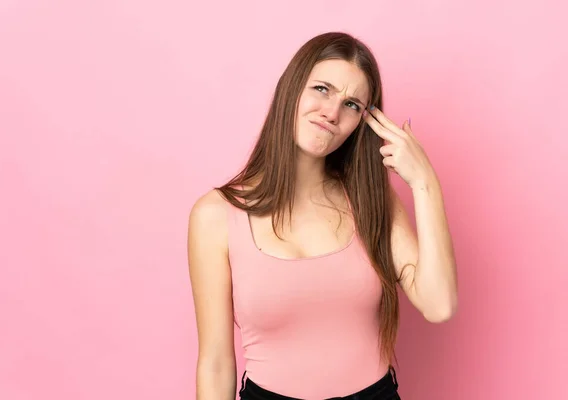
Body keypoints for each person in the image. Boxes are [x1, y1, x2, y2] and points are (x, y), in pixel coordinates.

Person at [187, 31, 458, 400]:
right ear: (292, 88)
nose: (332, 112)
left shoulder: (370, 201)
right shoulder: (215, 216)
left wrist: (425, 183)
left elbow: (439, 304)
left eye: (351, 105)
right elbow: (216, 361)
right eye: (322, 89)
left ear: (363, 121)